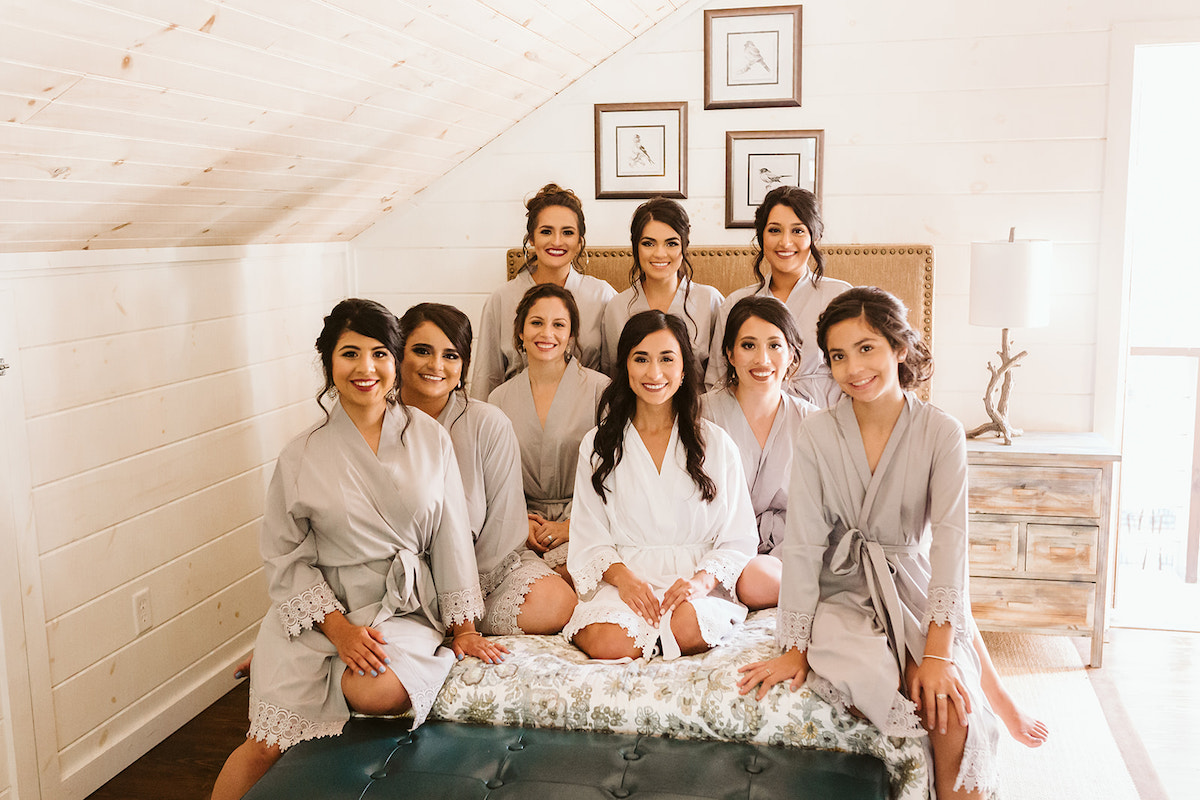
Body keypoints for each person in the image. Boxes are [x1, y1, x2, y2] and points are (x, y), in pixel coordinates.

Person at [212, 299, 505, 800]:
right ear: (329, 363)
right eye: (350, 354)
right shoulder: (300, 454)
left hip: (403, 607)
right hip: (326, 612)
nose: (365, 369)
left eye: (379, 354)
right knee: (263, 746)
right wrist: (341, 631)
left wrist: (463, 629)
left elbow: (451, 532)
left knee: (381, 687)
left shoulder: (429, 436)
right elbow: (286, 557)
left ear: (395, 362)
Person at [736, 287, 1001, 797]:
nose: (853, 368)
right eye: (838, 355)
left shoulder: (941, 432)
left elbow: (951, 543)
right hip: (842, 592)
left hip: (916, 589)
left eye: (867, 348)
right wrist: (793, 647)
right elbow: (805, 543)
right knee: (869, 680)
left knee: (951, 705)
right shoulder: (815, 432)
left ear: (899, 348)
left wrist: (939, 655)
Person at [564, 310, 757, 660]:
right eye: (641, 359)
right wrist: (625, 580)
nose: (654, 373)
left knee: (688, 626)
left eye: (667, 359)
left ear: (683, 370)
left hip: (695, 582)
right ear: (625, 367)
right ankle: (648, 636)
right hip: (627, 580)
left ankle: (663, 636)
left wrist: (701, 581)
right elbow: (589, 536)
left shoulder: (716, 443)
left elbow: (738, 537)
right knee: (608, 643)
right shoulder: (599, 444)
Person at [397, 303, 577, 635]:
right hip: (400, 576)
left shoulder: (487, 422)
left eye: (451, 356)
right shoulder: (379, 422)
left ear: (463, 364)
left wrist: (461, 594)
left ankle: (448, 619)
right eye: (422, 351)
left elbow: (503, 528)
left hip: (482, 573)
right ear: (398, 354)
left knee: (557, 603)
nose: (436, 365)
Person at [701, 296, 816, 611]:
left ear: (792, 353)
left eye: (775, 346)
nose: (762, 359)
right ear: (729, 353)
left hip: (790, 550)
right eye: (748, 345)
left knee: (761, 578)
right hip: (717, 549)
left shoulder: (814, 421)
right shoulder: (701, 414)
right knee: (752, 579)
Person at [488, 283, 609, 577]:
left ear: (571, 335)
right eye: (537, 323)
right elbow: (493, 481)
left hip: (584, 520)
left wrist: (570, 526)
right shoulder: (499, 399)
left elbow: (615, 473)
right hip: (519, 526)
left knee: (575, 576)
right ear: (520, 331)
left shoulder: (600, 389)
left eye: (559, 325)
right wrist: (520, 522)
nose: (547, 334)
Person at [704, 186, 851, 406]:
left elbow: (858, 373)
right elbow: (717, 380)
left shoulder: (840, 298)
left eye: (798, 231)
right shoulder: (736, 303)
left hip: (827, 419)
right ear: (761, 237)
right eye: (774, 230)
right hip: (752, 419)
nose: (785, 243)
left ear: (815, 236)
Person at [471, 183, 616, 400]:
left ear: (579, 242)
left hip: (588, 415)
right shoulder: (502, 299)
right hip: (516, 416)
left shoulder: (602, 296)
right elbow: (487, 380)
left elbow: (616, 372)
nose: (556, 241)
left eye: (567, 232)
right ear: (531, 238)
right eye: (546, 231)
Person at [601, 197, 723, 376]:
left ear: (684, 246)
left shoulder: (710, 301)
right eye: (648, 243)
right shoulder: (616, 307)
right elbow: (613, 376)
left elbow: (721, 376)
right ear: (636, 247)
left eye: (671, 243)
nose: (659, 253)